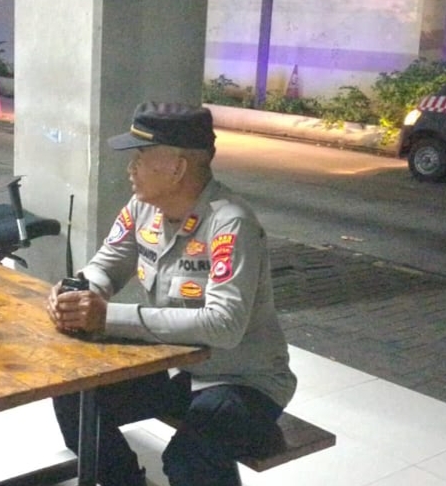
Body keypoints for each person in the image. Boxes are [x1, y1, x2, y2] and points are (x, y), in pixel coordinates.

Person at [45, 102, 297, 486]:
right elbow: (106, 265)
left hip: (244, 381)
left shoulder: (230, 224)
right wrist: (79, 292)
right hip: (179, 369)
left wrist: (107, 317)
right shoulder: (142, 207)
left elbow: (224, 325)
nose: (131, 168)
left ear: (178, 168)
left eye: (141, 157)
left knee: (190, 457)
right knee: (75, 395)